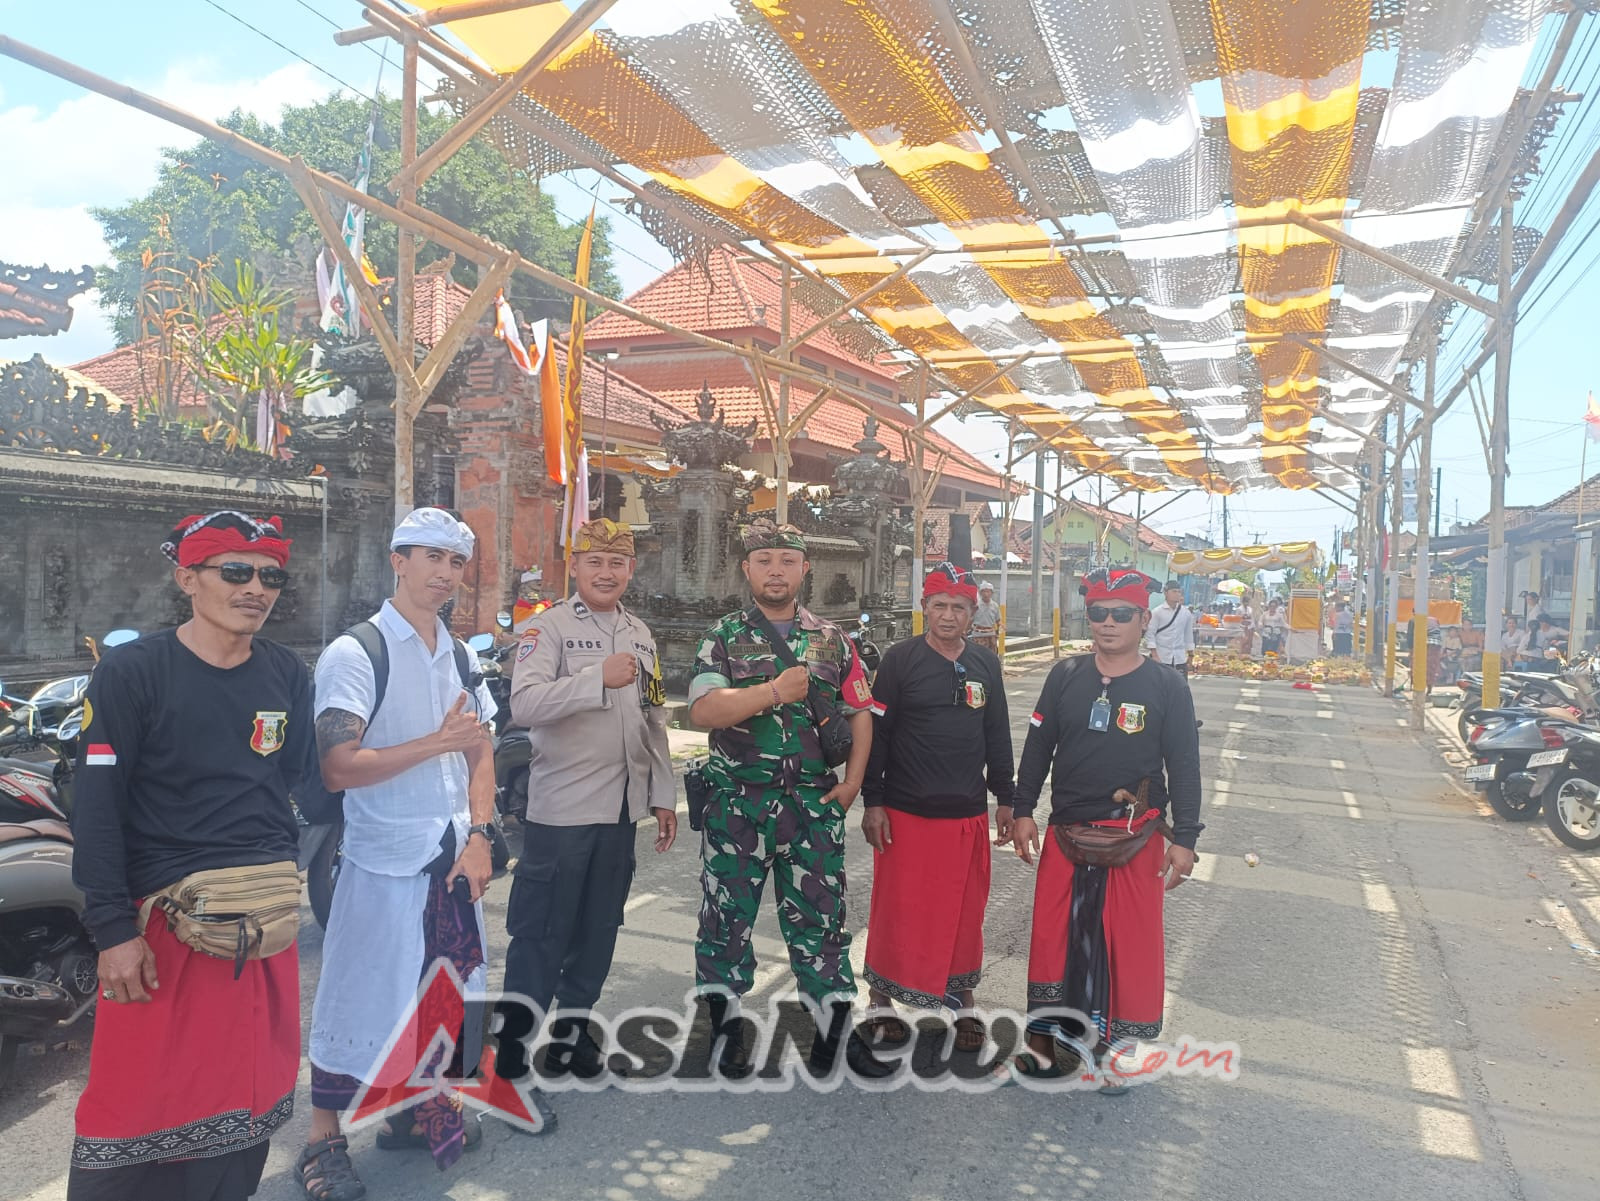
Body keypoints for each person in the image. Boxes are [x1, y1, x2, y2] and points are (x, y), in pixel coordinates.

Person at [68, 512, 311, 1201]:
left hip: (259, 927)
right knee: (134, 1105)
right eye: (234, 571)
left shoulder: (287, 673)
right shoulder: (132, 671)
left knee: (249, 1098)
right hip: (161, 929)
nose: (255, 588)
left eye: (269, 575)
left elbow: (290, 783)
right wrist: (113, 930)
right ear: (187, 578)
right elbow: (98, 808)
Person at [302, 508, 501, 1200]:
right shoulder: (356, 653)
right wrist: (434, 744)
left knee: (448, 991)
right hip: (382, 863)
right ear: (398, 559)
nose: (445, 573)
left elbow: (483, 749)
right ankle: (323, 1138)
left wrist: (481, 834)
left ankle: (421, 1110)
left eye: (456, 561)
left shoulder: (463, 654)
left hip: (452, 858)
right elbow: (339, 765)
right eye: (432, 557)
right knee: (359, 996)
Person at [688, 518, 887, 1077]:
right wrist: (773, 692)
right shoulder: (722, 637)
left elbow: (861, 715)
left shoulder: (833, 638)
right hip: (738, 806)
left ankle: (834, 1034)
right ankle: (725, 1032)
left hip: (813, 808)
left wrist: (851, 786)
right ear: (746, 568)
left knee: (822, 924)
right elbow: (703, 712)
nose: (776, 569)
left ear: (805, 568)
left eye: (787, 560)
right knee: (726, 920)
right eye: (764, 560)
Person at [1002, 567, 1203, 1091]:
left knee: (1126, 943)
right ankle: (1042, 1047)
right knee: (1053, 939)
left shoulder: (1167, 686)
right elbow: (1039, 749)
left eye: (1121, 614)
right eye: (1098, 613)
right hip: (1067, 830)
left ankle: (1115, 1053)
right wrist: (1024, 809)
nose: (1107, 623)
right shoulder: (1065, 676)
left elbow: (1183, 766)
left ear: (1143, 619)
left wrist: (1186, 839)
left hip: (1135, 835)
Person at [502, 519, 677, 1094]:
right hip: (561, 816)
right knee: (542, 934)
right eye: (594, 562)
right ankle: (511, 1061)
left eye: (617, 563)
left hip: (620, 815)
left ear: (631, 570)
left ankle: (571, 1042)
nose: (607, 572)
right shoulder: (544, 630)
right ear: (574, 567)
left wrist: (663, 794)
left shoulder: (642, 633)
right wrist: (594, 680)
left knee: (600, 929)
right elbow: (524, 705)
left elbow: (654, 719)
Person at [857, 563, 1014, 1050]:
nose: (948, 616)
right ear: (924, 608)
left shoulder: (986, 665)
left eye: (959, 608)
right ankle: (881, 999)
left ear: (974, 613)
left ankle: (962, 997)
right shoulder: (900, 661)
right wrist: (873, 801)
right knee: (897, 907)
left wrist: (1006, 798)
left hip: (965, 813)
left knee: (965, 910)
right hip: (905, 812)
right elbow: (876, 736)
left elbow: (997, 735)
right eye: (939, 606)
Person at [1146, 579, 1203, 730]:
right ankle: (1157, 719)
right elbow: (1150, 635)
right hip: (1161, 656)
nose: (1177, 594)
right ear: (1166, 593)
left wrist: (1190, 656)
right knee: (1158, 690)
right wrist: (1154, 654)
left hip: (1178, 657)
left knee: (1182, 690)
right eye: (1174, 591)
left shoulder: (1185, 613)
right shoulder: (1157, 612)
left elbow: (1188, 636)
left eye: (1179, 592)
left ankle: (1186, 721)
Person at [972, 580, 1001, 653]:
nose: (986, 594)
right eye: (984, 591)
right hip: (978, 634)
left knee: (992, 655)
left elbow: (998, 621)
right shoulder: (976, 605)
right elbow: (970, 618)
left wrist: (998, 633)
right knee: (979, 655)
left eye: (988, 591)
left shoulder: (995, 606)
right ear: (981, 593)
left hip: (991, 635)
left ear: (991, 593)